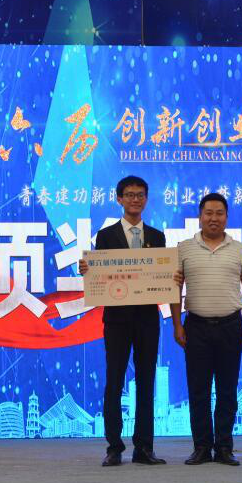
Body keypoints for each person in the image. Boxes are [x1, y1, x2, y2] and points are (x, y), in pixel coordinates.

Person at [79, 175, 167, 466]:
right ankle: (114, 447)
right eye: (129, 194)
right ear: (119, 199)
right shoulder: (105, 236)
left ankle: (144, 448)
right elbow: (101, 274)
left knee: (146, 382)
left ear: (146, 199)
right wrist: (88, 270)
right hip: (117, 320)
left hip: (147, 319)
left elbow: (161, 275)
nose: (135, 199)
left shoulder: (157, 237)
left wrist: (171, 276)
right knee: (114, 381)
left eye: (140, 195)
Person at [170, 192, 242, 466]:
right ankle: (201, 447)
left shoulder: (239, 249)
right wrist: (177, 324)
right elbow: (174, 288)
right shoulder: (183, 248)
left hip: (231, 326)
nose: (214, 218)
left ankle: (223, 448)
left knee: (227, 391)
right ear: (200, 217)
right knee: (198, 391)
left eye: (219, 213)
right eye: (208, 213)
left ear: (227, 217)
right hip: (196, 326)